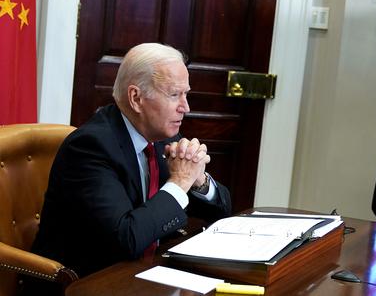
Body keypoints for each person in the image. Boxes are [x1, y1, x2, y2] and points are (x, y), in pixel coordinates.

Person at [24, 43, 231, 294]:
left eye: (186, 94)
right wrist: (179, 183)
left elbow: (222, 210)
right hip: (88, 283)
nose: (185, 107)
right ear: (136, 98)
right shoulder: (91, 147)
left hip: (145, 275)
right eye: (175, 95)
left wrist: (199, 181)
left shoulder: (162, 136)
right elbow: (127, 238)